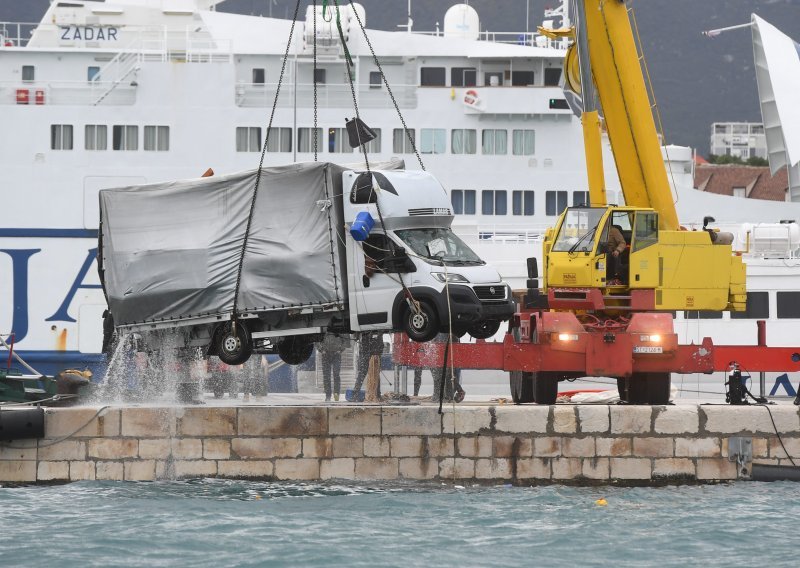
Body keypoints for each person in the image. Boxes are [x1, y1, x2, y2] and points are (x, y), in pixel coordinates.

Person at [349, 331, 384, 401]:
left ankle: (377, 394)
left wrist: (378, 351)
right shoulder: (367, 329)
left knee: (374, 374)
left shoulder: (376, 329)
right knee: (363, 374)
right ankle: (356, 394)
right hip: (367, 352)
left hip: (373, 352)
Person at [431, 333, 465, 403]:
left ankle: (450, 394)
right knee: (440, 373)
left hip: (447, 349)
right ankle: (441, 394)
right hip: (441, 347)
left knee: (448, 374)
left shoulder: (449, 332)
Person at [317, 333, 348, 401]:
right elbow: (316, 339)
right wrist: (321, 350)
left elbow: (345, 339)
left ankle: (336, 394)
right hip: (325, 354)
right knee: (326, 376)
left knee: (336, 374)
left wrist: (341, 349)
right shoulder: (323, 326)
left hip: (336, 354)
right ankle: (328, 395)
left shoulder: (339, 327)